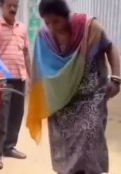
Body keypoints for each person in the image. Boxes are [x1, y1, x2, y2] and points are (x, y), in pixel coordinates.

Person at [26, 0, 120, 173]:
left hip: (90, 97)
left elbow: (111, 48)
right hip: (61, 102)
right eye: (47, 22)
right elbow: (39, 69)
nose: (52, 27)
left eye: (56, 21)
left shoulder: (89, 28)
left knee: (89, 139)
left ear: (66, 16)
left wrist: (116, 79)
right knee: (64, 146)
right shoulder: (44, 37)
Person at [0, 0, 31, 170]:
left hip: (20, 78)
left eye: (15, 6)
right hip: (2, 79)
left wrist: (30, 76)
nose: (13, 9)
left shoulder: (22, 28)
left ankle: (9, 147)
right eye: (9, 5)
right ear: (1, 6)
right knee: (1, 117)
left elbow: (25, 53)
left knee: (17, 115)